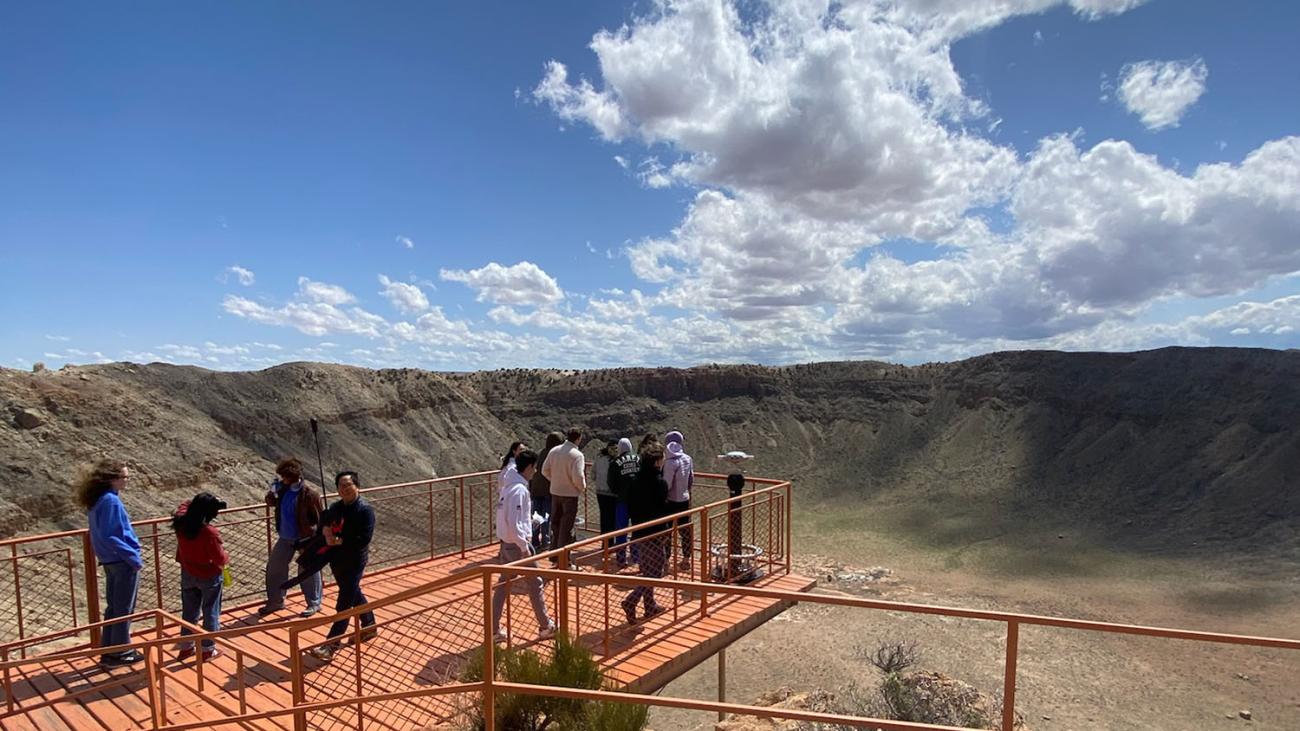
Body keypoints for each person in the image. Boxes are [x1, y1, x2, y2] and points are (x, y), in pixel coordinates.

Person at [78, 459, 144, 667]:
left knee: (114, 607)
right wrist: (133, 557)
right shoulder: (111, 501)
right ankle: (122, 651)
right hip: (121, 560)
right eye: (124, 477)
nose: (127, 481)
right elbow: (111, 534)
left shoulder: (98, 499)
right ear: (113, 479)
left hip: (108, 559)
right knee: (124, 608)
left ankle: (108, 650)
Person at [308, 471, 378, 661]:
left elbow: (364, 539)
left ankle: (331, 644)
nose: (345, 489)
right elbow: (324, 520)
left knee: (344, 602)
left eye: (348, 485)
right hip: (337, 560)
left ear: (357, 486)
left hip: (355, 560)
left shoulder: (365, 510)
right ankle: (369, 624)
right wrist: (325, 529)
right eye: (341, 486)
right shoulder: (336, 507)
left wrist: (338, 541)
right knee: (353, 593)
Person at [490, 450, 557, 644]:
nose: (535, 472)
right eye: (534, 468)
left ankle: (493, 629)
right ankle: (545, 626)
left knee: (503, 584)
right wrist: (524, 546)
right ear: (528, 468)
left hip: (506, 544)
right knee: (535, 583)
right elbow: (514, 521)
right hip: (517, 547)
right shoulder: (519, 490)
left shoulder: (507, 487)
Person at [259, 458, 324, 617]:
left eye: (285, 476)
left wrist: (313, 535)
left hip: (305, 538)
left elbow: (319, 517)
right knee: (275, 567)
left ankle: (314, 603)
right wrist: (271, 494)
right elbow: (272, 503)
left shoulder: (310, 494)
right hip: (285, 537)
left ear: (293, 476)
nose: (283, 479)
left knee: (308, 570)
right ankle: (276, 601)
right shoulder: (282, 490)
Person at [172, 492, 230, 661]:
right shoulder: (208, 532)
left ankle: (186, 647)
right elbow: (219, 558)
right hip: (208, 575)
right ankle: (207, 649)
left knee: (189, 611)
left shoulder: (181, 523)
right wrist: (227, 556)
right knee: (211, 611)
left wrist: (199, 502)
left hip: (188, 572)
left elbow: (183, 505)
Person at [621, 445, 669, 624]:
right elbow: (662, 509)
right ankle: (631, 601)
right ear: (657, 462)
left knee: (648, 569)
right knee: (656, 571)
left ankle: (650, 606)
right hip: (655, 532)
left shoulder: (634, 480)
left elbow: (630, 504)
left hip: (638, 530)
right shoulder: (660, 482)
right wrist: (665, 531)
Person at [541, 428, 586, 551]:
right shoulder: (577, 455)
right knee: (566, 528)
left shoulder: (554, 451)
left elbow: (544, 470)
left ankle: (554, 554)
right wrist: (581, 488)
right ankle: (564, 559)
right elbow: (578, 476)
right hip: (570, 495)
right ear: (578, 439)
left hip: (555, 493)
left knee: (555, 525)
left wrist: (554, 480)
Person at [663, 430, 695, 569]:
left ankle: (666, 560)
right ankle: (686, 558)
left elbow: (667, 484)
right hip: (684, 499)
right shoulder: (687, 459)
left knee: (667, 531)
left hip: (670, 502)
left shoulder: (669, 463)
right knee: (685, 530)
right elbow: (691, 478)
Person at [606, 438, 639, 566]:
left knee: (621, 530)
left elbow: (611, 482)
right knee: (637, 527)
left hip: (622, 500)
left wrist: (617, 492)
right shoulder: (639, 459)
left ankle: (621, 558)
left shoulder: (615, 462)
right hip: (637, 500)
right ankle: (636, 556)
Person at [529, 432, 564, 551]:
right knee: (546, 517)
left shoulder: (540, 453)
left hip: (535, 489)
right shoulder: (554, 455)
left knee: (536, 517)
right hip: (548, 490)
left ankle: (534, 541)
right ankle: (545, 541)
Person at [593, 439, 619, 558]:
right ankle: (610, 544)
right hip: (612, 493)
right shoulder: (616, 461)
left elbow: (593, 474)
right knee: (612, 518)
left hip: (600, 492)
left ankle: (605, 543)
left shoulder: (599, 458)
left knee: (604, 518)